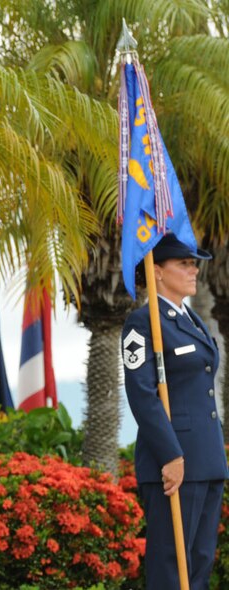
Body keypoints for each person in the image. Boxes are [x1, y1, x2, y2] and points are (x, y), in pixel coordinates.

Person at [122, 232, 227, 590]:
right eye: (183, 263)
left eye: (193, 263)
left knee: (199, 565)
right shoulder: (144, 323)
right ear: (157, 271)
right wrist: (170, 456)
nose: (193, 270)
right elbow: (142, 394)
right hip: (174, 463)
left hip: (206, 458)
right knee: (171, 568)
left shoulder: (192, 320)